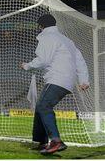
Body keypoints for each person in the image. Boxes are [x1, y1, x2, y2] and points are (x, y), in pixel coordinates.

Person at [20, 14, 89, 155]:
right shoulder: (67, 40)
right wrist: (84, 80)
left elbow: (44, 60)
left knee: (43, 105)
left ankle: (56, 141)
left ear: (41, 26)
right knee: (41, 106)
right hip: (68, 81)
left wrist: (27, 66)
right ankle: (40, 141)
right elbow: (80, 60)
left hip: (57, 78)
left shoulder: (46, 37)